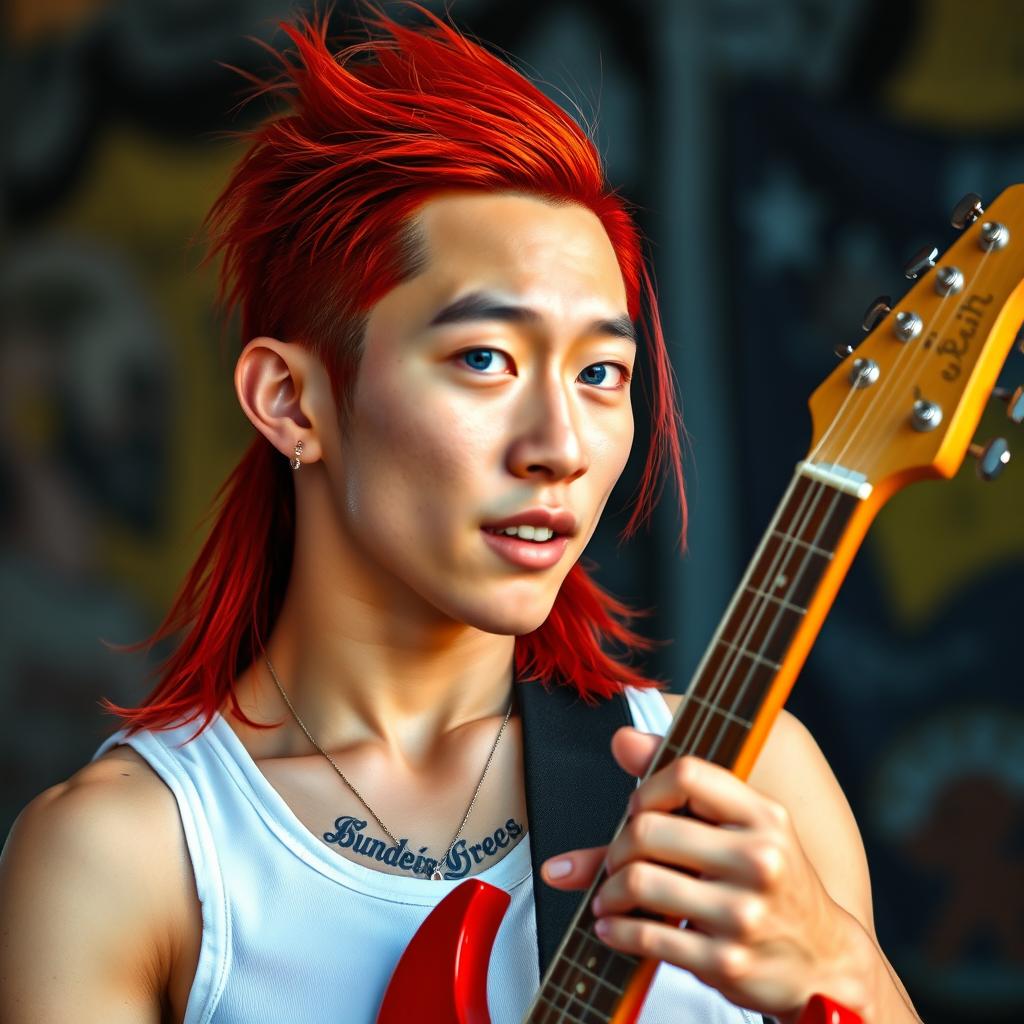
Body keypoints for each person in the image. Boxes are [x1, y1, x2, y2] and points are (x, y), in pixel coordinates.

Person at [0, 8, 921, 1023]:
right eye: (485, 357)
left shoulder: (746, 785)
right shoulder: (133, 855)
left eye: (603, 372)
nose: (559, 444)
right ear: (290, 402)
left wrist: (843, 970)